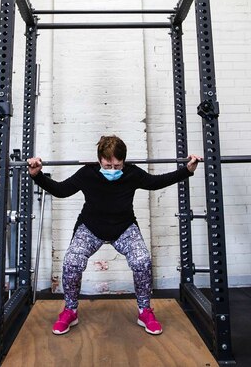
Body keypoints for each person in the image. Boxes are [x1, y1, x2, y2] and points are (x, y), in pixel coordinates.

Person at [27, 135, 201, 336]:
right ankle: (70, 311)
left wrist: (187, 171)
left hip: (123, 228)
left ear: (123, 161)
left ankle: (145, 311)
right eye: (107, 166)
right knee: (72, 263)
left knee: (142, 261)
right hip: (91, 227)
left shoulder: (132, 173)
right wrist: (36, 176)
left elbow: (157, 182)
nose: (112, 170)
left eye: (117, 166)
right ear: (100, 159)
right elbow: (61, 190)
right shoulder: (87, 173)